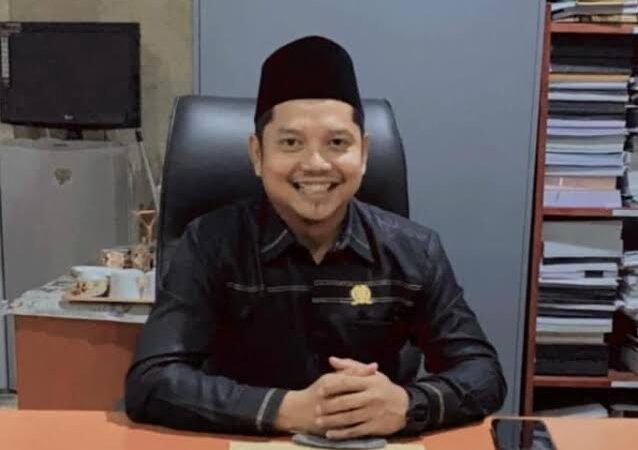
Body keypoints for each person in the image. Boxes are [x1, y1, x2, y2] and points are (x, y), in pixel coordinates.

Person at [125, 35, 506, 439]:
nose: (316, 164)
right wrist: (285, 409)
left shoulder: (414, 251)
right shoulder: (210, 244)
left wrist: (409, 404)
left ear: (364, 153)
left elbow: (483, 374)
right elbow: (151, 381)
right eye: (291, 143)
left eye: (337, 143)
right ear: (257, 154)